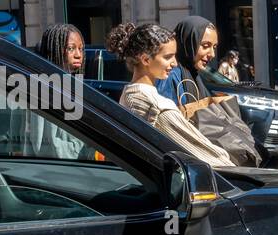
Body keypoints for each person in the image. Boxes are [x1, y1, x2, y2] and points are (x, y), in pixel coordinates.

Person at [106, 22, 232, 169]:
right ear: (145, 59)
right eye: (168, 57)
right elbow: (197, 150)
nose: (174, 63)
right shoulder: (148, 102)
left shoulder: (136, 94)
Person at [156, 17, 262, 167]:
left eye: (214, 47)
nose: (212, 54)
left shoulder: (194, 74)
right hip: (184, 161)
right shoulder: (171, 75)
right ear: (188, 42)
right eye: (205, 46)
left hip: (202, 158)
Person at [32, 23, 87, 159]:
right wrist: (86, 148)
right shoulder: (48, 88)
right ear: (54, 49)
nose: (78, 55)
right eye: (71, 48)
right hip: (54, 172)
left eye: (81, 49)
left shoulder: (67, 84)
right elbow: (46, 146)